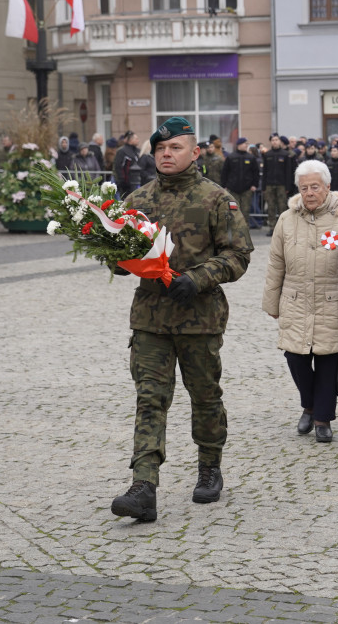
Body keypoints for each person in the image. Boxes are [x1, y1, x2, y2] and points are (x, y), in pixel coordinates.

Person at [110, 116, 253, 523]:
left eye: (174, 148)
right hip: (151, 318)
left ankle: (209, 465)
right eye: (160, 149)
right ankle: (144, 485)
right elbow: (121, 258)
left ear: (194, 152)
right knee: (150, 398)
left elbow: (238, 255)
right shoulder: (137, 201)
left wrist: (198, 278)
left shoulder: (215, 199)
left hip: (199, 318)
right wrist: (115, 255)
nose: (166, 155)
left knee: (205, 395)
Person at [262, 160, 338, 444]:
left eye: (315, 187)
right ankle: (309, 404)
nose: (309, 193)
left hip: (332, 300)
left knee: (328, 361)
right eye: (304, 188)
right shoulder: (286, 219)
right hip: (295, 299)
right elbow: (276, 262)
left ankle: (322, 419)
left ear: (328, 187)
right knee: (295, 356)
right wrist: (272, 301)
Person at [262, 134, 295, 236]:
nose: (274, 142)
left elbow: (288, 171)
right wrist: (264, 186)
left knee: (282, 207)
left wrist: (288, 186)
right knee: (271, 207)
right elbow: (265, 171)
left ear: (280, 141)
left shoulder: (285, 154)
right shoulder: (267, 154)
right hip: (270, 184)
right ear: (271, 142)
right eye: (273, 140)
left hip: (282, 185)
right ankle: (272, 227)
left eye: (276, 140)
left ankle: (283, 228)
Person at [220, 137, 259, 224]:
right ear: (239, 145)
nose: (246, 145)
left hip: (247, 189)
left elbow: (255, 172)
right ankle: (234, 230)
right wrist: (224, 186)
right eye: (245, 143)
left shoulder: (251, 157)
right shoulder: (231, 157)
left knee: (245, 210)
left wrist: (254, 185)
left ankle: (245, 230)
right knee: (233, 210)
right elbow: (225, 172)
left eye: (247, 144)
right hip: (233, 189)